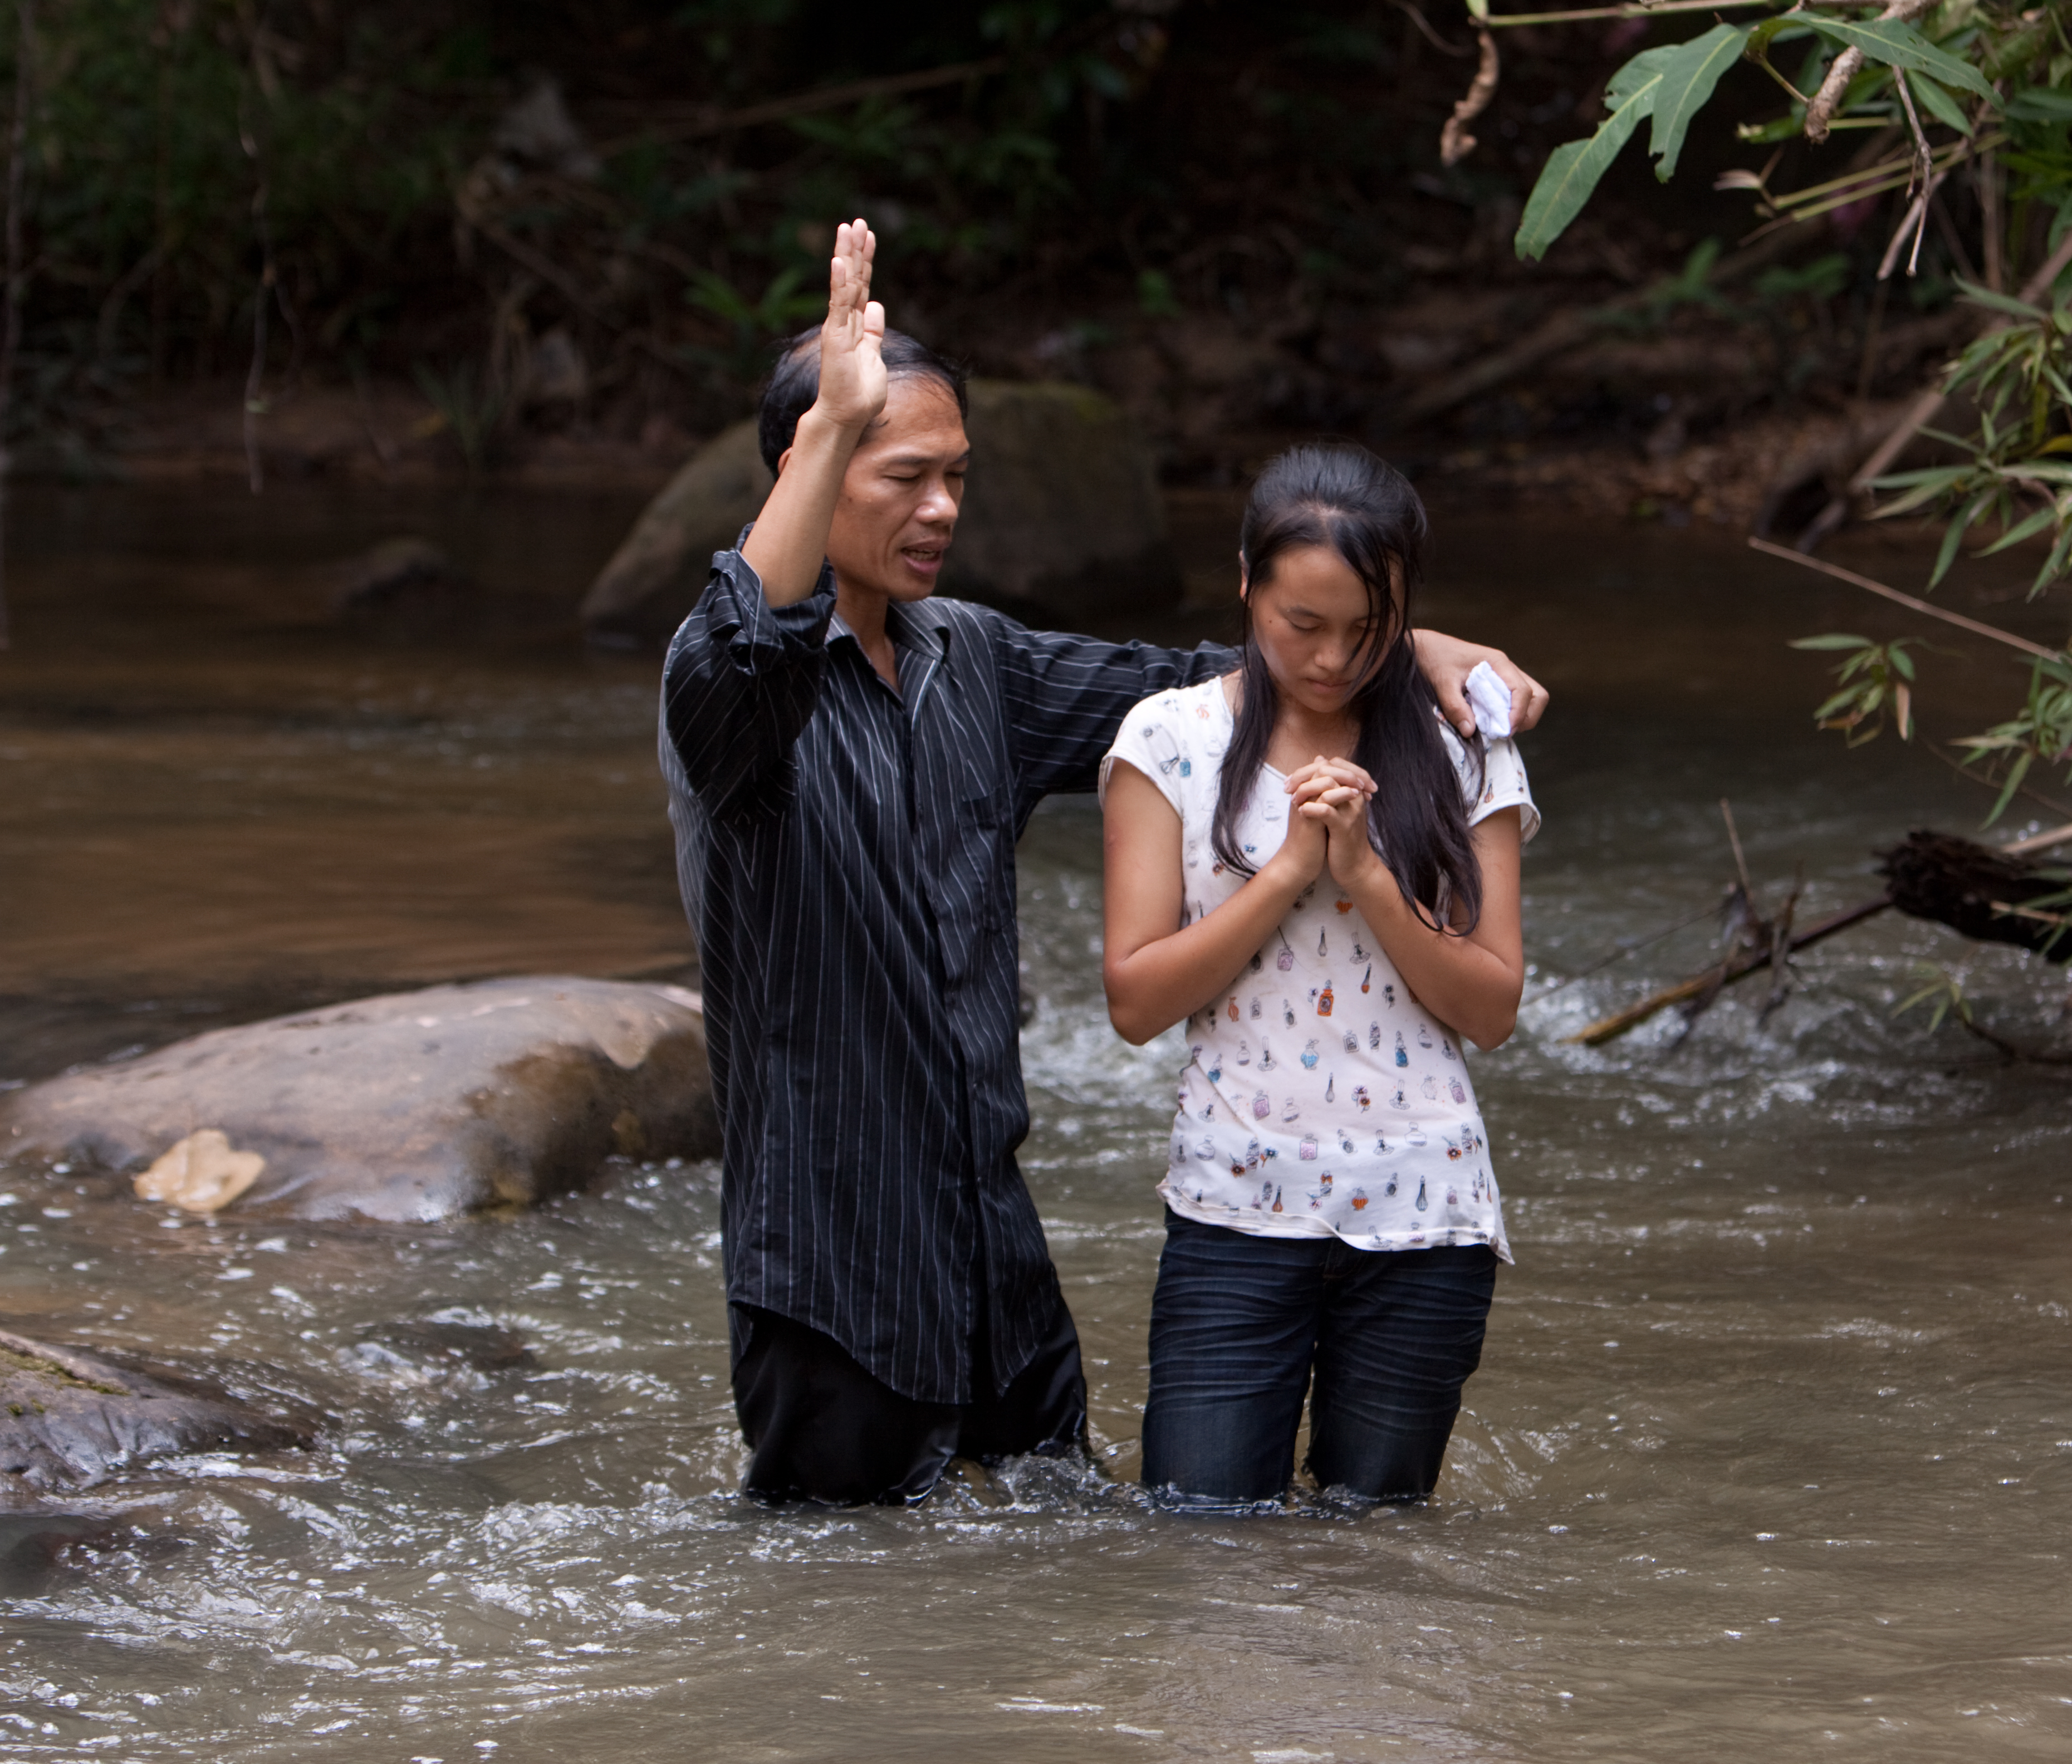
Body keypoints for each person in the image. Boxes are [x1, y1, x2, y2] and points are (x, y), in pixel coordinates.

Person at [659, 220, 1549, 1506]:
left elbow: (1227, 681)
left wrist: (1415, 644)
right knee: (848, 1592)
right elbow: (750, 647)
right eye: (904, 475)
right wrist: (835, 417)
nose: (943, 508)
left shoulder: (977, 661)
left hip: (993, 1249)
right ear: (811, 467)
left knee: (1068, 1557)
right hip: (834, 1262)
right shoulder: (727, 694)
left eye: (956, 475)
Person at [1099, 441, 1536, 1510]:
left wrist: (1369, 878)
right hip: (1233, 1209)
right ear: (1247, 584)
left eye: (1368, 628)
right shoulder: (1171, 738)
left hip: (1424, 1213)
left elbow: (1492, 1009)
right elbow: (1137, 1002)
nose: (1335, 659)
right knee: (1201, 1532)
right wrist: (1292, 868)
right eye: (1303, 624)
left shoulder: (1463, 741)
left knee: (1375, 1553)